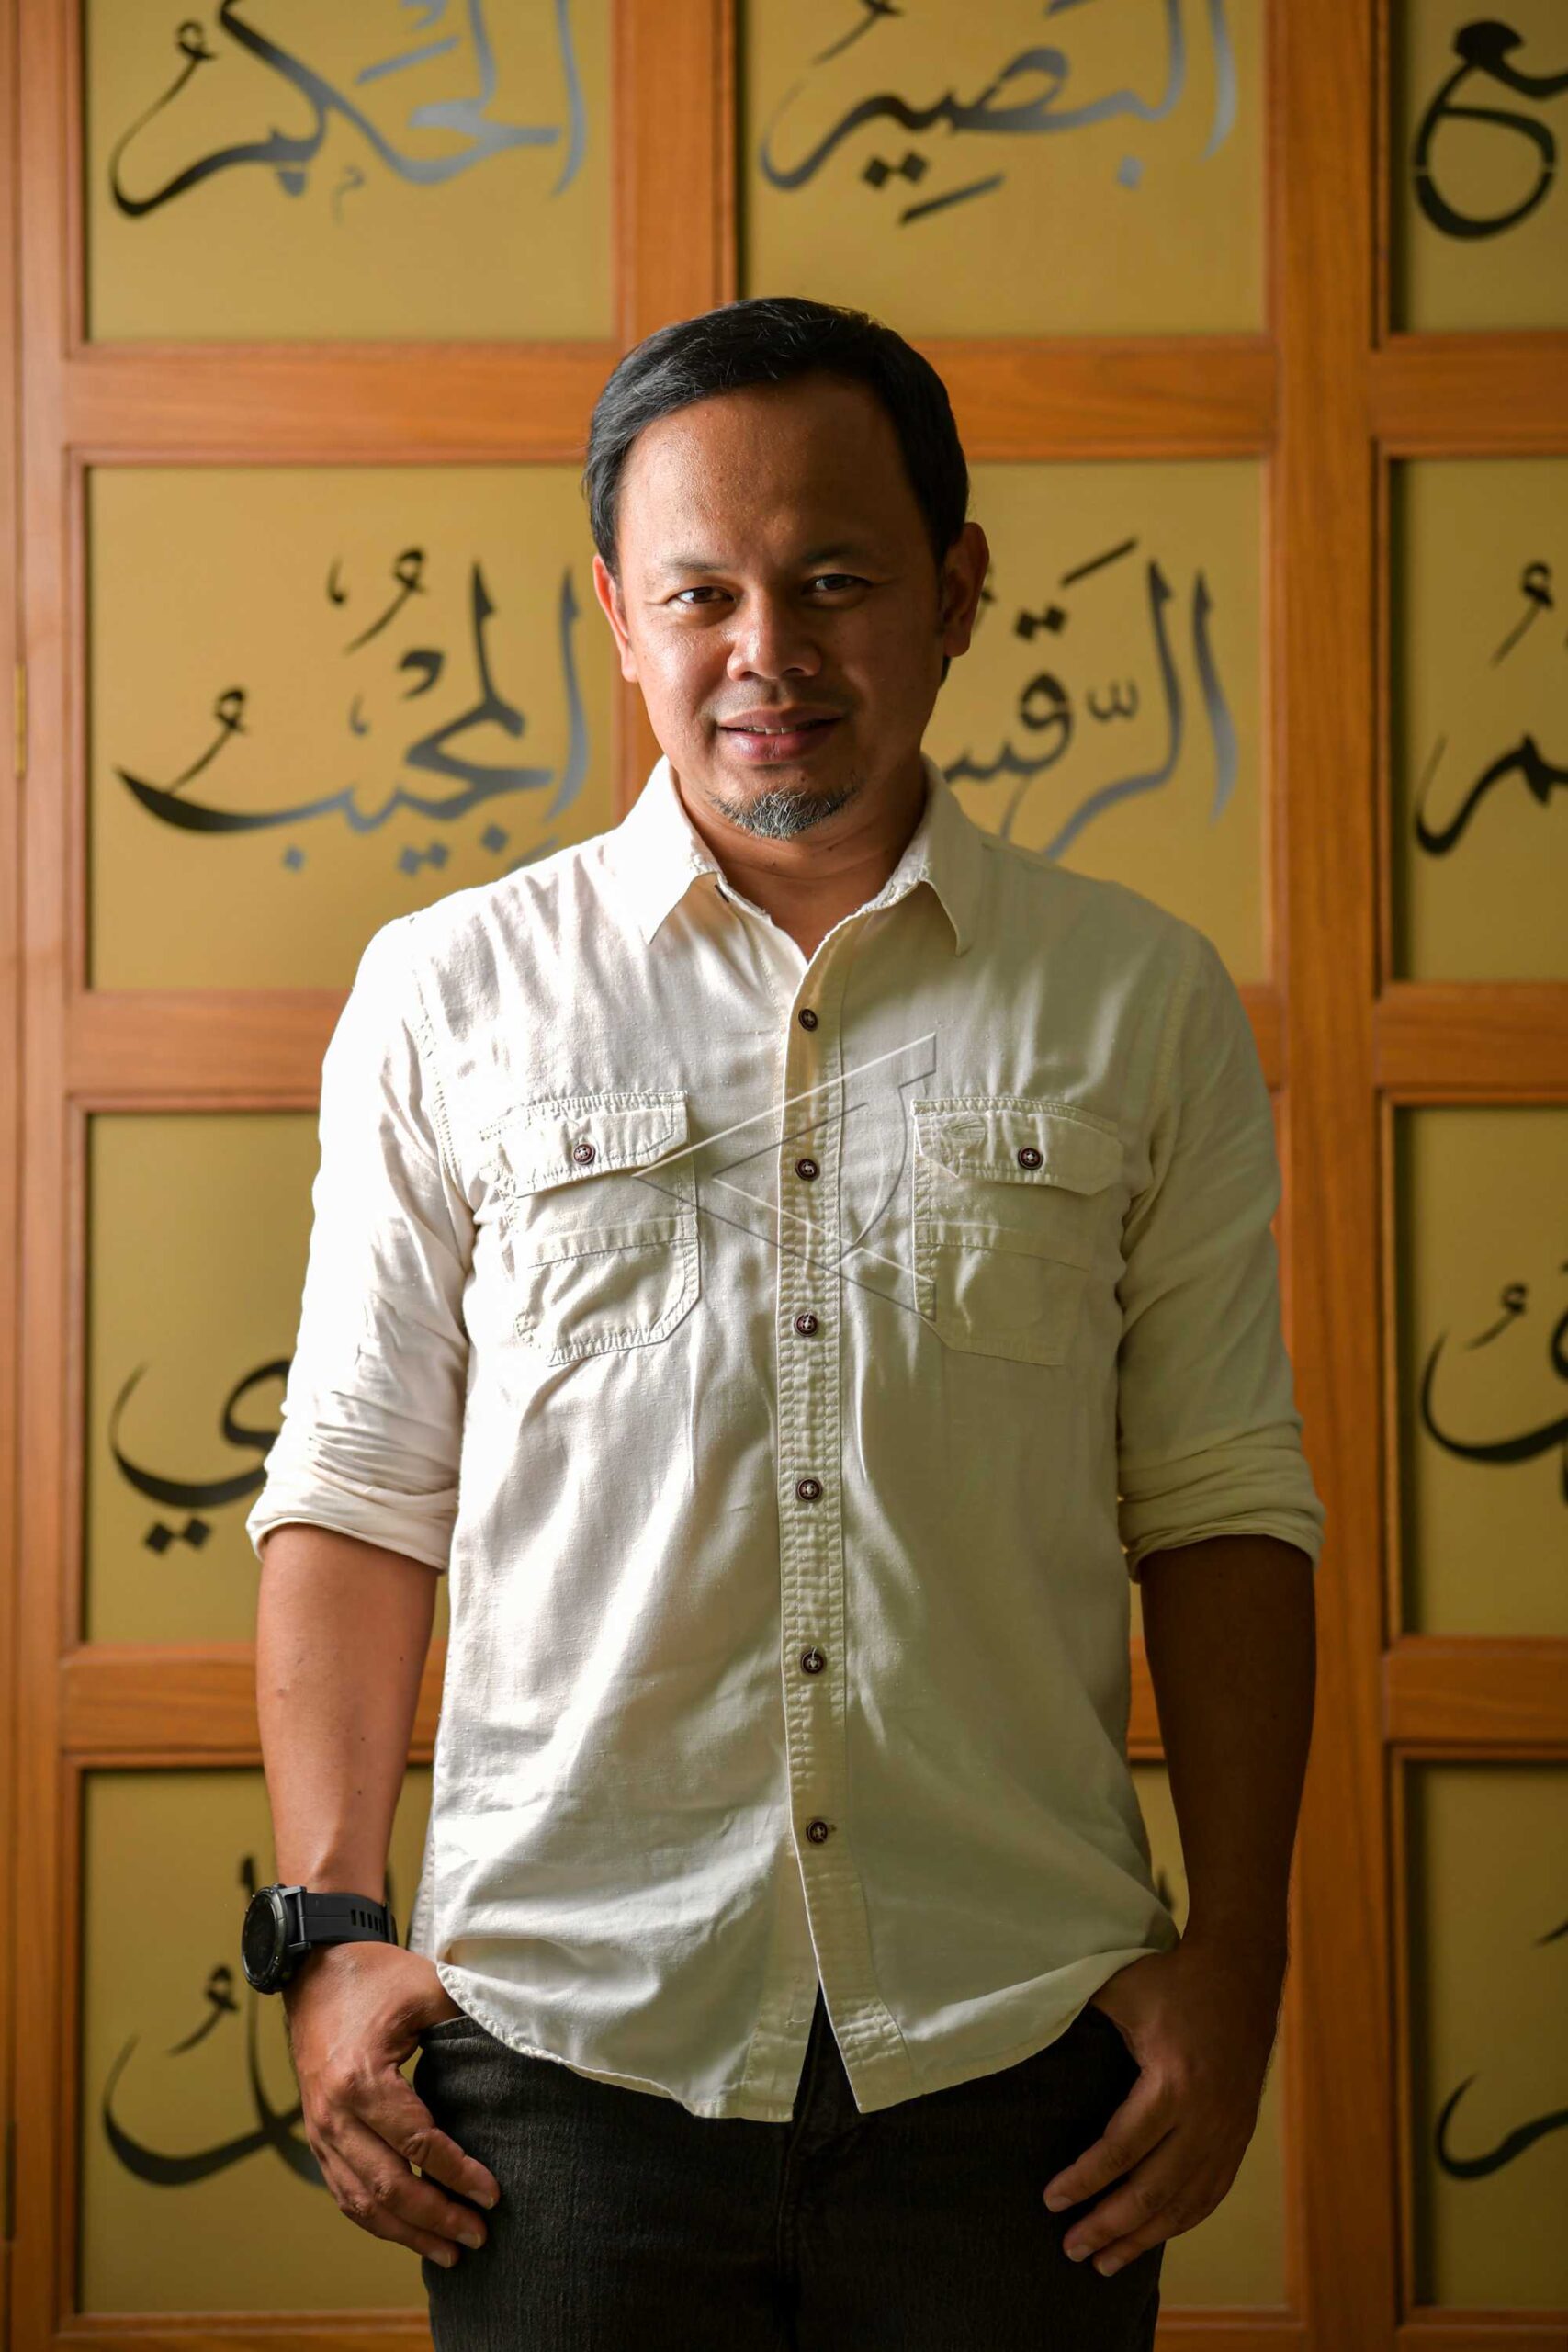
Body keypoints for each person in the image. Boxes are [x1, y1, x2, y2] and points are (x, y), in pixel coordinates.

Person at [248, 294, 1325, 2349]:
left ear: (955, 591)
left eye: (835, 581)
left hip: (1021, 2068)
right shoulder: (448, 993)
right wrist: (328, 1931)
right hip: (559, 2060)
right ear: (616, 613)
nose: (768, 651)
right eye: (702, 593)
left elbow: (1219, 1504)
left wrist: (1241, 1956)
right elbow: (359, 1485)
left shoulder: (1137, 998)